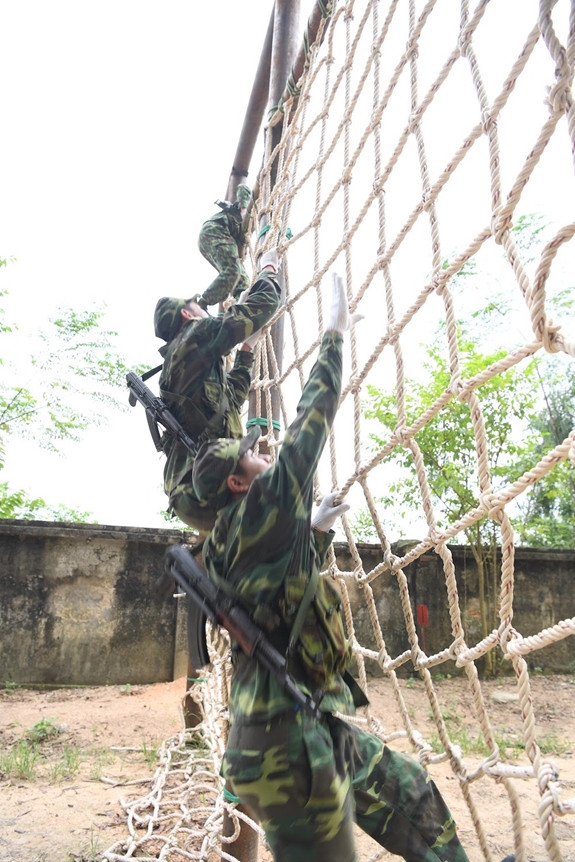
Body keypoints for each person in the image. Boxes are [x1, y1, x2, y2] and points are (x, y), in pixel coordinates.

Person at [191, 273, 478, 862]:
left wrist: (312, 535)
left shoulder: (236, 536)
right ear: (239, 483)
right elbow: (311, 423)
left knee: (408, 789)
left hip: (309, 719)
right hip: (285, 752)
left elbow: (281, 594)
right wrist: (334, 336)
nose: (265, 450)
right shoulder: (260, 510)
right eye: (253, 453)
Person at [153, 248, 280, 534]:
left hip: (193, 492)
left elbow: (229, 403)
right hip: (207, 487)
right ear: (188, 315)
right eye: (199, 307)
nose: (205, 310)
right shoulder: (194, 336)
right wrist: (268, 271)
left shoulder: (186, 361)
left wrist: (247, 350)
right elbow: (260, 308)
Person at [196, 183, 252, 309]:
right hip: (216, 230)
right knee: (232, 271)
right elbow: (243, 187)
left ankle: (240, 309)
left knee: (243, 284)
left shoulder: (250, 229)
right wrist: (243, 208)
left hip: (217, 238)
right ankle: (201, 303)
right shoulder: (248, 209)